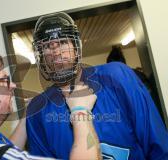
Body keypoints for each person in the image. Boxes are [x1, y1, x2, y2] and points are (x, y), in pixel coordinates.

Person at [26, 12, 168, 160]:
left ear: (76, 47)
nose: (56, 52)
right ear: (41, 55)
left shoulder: (116, 77)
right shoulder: (37, 111)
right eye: (48, 46)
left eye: (62, 42)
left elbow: (158, 144)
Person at [0, 46, 101, 160]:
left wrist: (25, 119)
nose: (13, 85)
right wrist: (80, 111)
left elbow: (7, 149)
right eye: (3, 81)